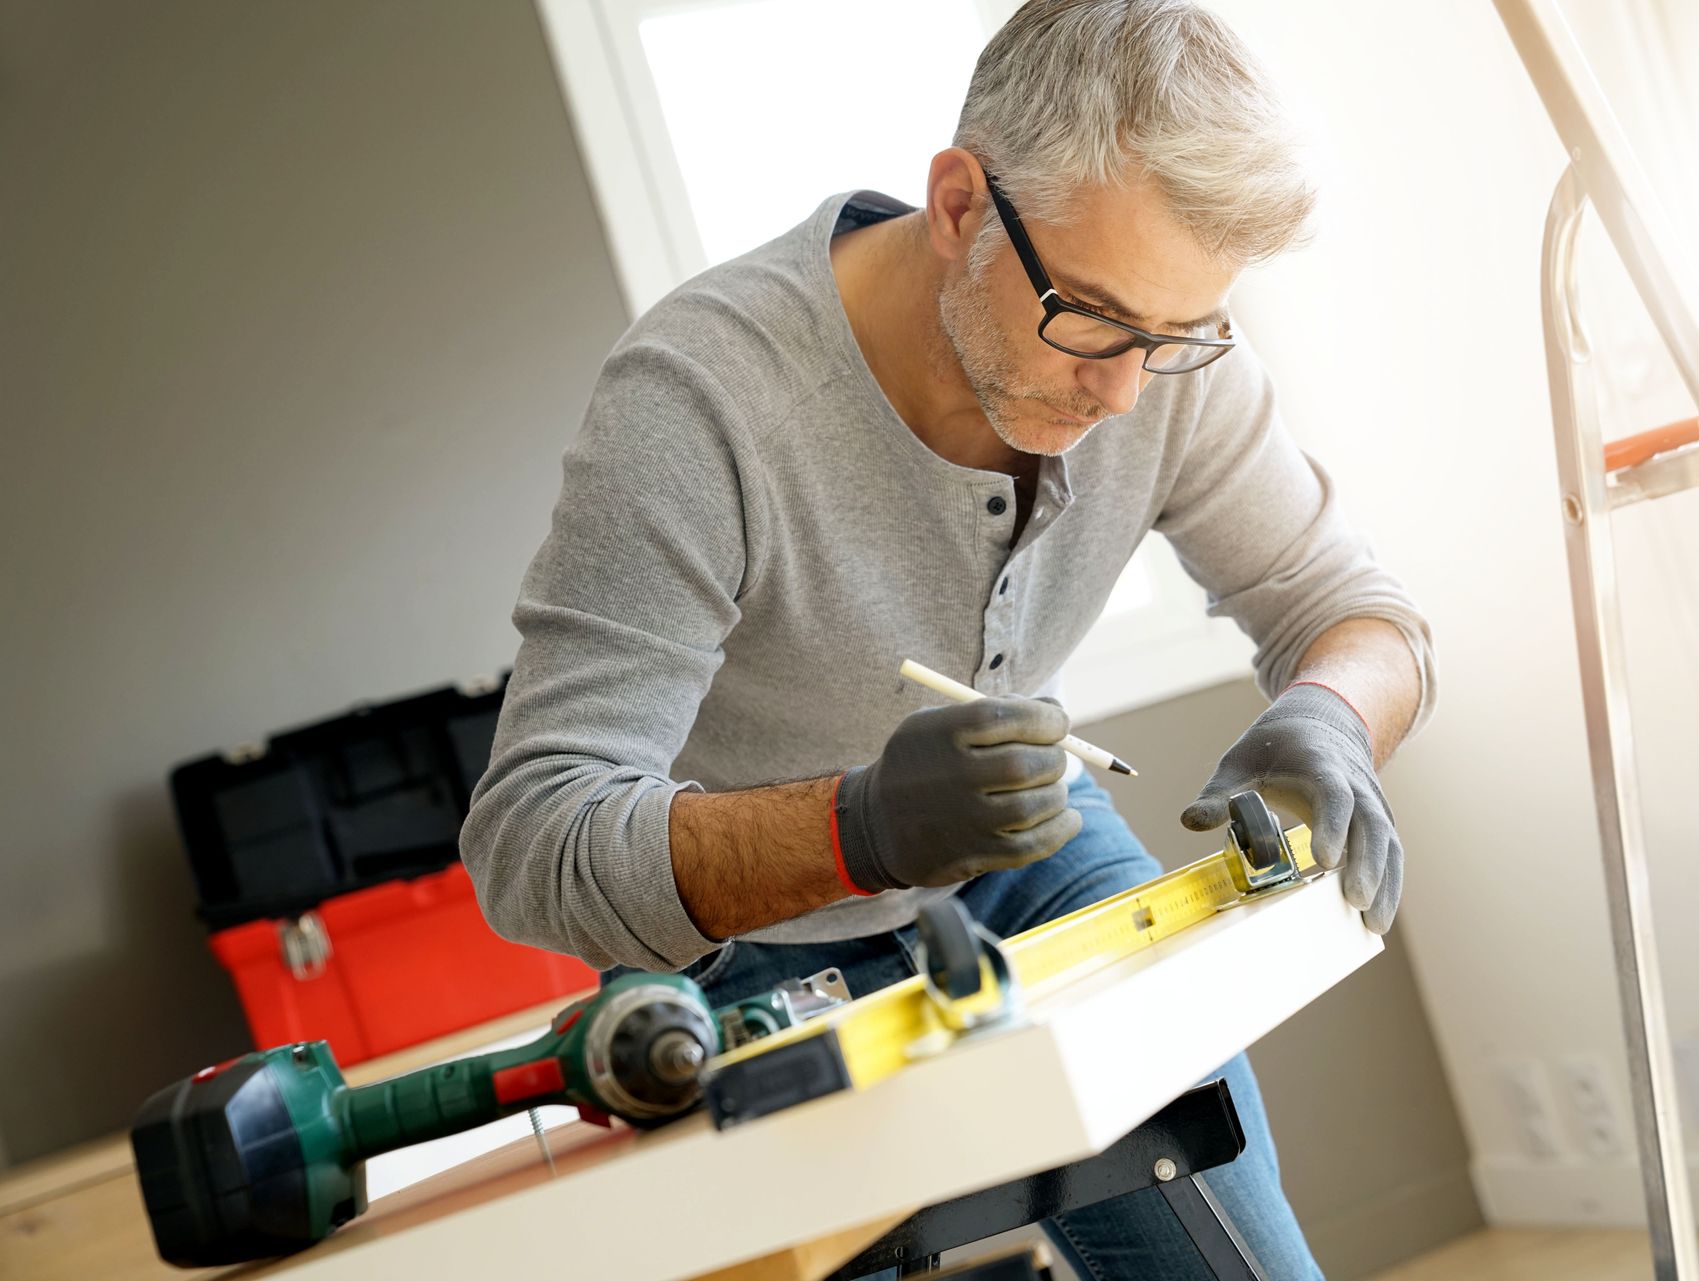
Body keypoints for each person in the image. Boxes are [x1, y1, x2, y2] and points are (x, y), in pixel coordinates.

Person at [462, 1, 1435, 1275]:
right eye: (1090, 320)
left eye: (1172, 336)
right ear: (961, 205)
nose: (1125, 391)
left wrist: (1334, 718)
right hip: (745, 953)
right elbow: (534, 844)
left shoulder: (1159, 357)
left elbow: (1357, 614)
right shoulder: (702, 404)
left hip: (1033, 854)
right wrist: (856, 830)